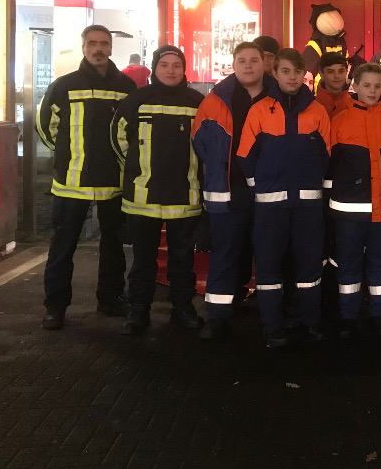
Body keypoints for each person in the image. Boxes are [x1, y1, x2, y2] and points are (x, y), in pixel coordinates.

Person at [36, 25, 136, 330]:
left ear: (111, 48)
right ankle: (55, 307)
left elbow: (132, 129)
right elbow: (45, 125)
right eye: (92, 43)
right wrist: (67, 155)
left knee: (113, 247)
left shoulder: (126, 87)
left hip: (113, 181)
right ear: (83, 47)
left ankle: (110, 299)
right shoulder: (64, 85)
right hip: (72, 182)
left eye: (103, 43)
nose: (98, 49)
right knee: (62, 247)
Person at [237, 48, 331, 347]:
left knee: (310, 266)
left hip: (307, 206)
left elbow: (328, 156)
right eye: (285, 71)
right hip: (270, 208)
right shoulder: (259, 110)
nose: (292, 77)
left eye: (297, 71)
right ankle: (272, 326)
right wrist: (261, 187)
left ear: (305, 74)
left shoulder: (317, 111)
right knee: (268, 267)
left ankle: (311, 321)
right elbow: (245, 156)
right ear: (274, 73)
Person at [110, 45, 206, 335]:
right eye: (164, 65)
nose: (171, 70)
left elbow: (208, 144)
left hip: (184, 195)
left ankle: (182, 309)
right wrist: (136, 170)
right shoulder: (136, 101)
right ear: (154, 68)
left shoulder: (198, 103)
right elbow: (118, 138)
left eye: (176, 65)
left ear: (184, 69)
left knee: (182, 260)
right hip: (143, 197)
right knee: (142, 261)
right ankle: (138, 312)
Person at [191, 41, 281, 339]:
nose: (248, 65)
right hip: (230, 189)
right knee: (225, 253)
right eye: (242, 60)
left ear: (264, 63)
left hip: (270, 192)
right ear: (233, 64)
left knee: (269, 254)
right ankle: (217, 316)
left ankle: (269, 315)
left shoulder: (280, 96)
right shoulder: (214, 101)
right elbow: (200, 143)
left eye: (254, 60)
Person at [326, 62, 381, 338]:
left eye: (377, 86)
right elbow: (330, 168)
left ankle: (379, 313)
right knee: (349, 263)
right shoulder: (340, 121)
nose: (372, 90)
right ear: (354, 86)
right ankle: (348, 315)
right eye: (366, 85)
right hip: (348, 212)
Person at [301, 4, 349, 88]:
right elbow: (307, 74)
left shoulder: (341, 41)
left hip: (339, 88)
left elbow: (346, 63)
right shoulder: (316, 43)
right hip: (321, 89)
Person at [314, 52, 354, 119]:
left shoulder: (354, 106)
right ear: (321, 74)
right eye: (330, 71)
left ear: (346, 72)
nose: (337, 76)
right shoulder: (311, 107)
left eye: (341, 71)